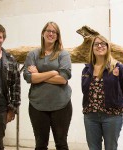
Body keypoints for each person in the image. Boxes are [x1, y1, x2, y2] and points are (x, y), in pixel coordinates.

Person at [23, 21, 72, 150]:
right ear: (43, 33)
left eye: (54, 32)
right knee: (40, 145)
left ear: (57, 35)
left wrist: (38, 75)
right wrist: (52, 72)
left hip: (61, 105)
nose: (51, 33)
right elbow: (28, 77)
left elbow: (63, 79)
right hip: (37, 105)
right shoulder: (32, 54)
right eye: (48, 31)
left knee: (61, 144)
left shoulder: (63, 54)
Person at [81, 35, 123, 150]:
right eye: (96, 44)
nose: (100, 46)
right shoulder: (87, 69)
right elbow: (84, 91)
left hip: (112, 116)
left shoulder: (117, 67)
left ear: (108, 47)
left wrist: (119, 104)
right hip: (90, 116)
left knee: (111, 148)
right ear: (92, 48)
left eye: (103, 43)